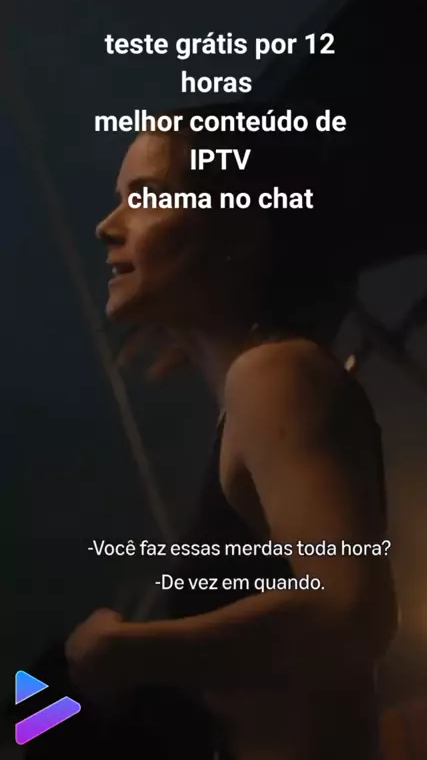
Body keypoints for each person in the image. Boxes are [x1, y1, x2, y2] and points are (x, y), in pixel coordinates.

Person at [62, 106, 398, 760]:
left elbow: (352, 610)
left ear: (238, 230)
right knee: (32, 709)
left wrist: (130, 651)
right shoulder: (253, 390)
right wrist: (66, 692)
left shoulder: (276, 374)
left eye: (147, 197)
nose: (107, 226)